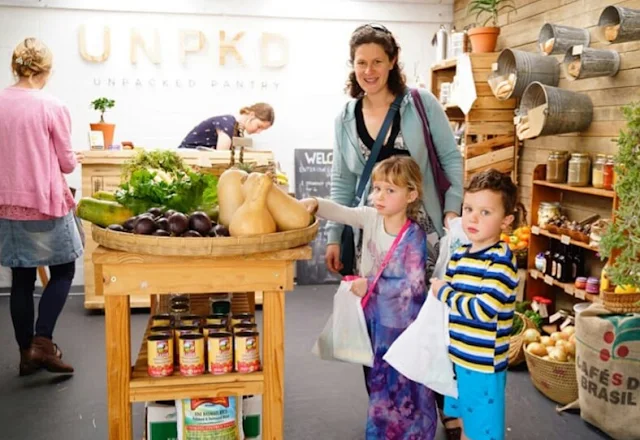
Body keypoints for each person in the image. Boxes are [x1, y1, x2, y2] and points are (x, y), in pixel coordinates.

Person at [326, 22, 464, 438]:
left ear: (392, 63)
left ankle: (443, 407)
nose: (369, 70)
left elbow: (451, 160)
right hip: (373, 237)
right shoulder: (346, 116)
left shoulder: (419, 104)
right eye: (361, 62)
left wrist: (454, 213)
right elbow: (342, 182)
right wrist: (334, 236)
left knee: (429, 322)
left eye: (377, 62)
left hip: (422, 236)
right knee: (379, 326)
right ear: (352, 66)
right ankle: (387, 409)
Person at [302, 156, 437, 438]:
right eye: (376, 188)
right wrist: (315, 203)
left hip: (402, 326)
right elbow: (342, 212)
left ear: (411, 195)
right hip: (372, 317)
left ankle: (407, 432)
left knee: (403, 379)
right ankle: (386, 426)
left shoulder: (413, 236)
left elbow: (411, 287)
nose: (379, 196)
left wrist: (371, 286)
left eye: (390, 190)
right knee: (375, 376)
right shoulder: (371, 218)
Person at [0, 38, 83, 376]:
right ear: (45, 71)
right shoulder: (51, 105)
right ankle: (42, 342)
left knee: (21, 278)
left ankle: (26, 355)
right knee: (63, 270)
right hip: (45, 203)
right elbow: (66, 163)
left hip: (6, 202)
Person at [430, 169, 520, 440]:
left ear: (506, 221)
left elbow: (482, 310)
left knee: (484, 430)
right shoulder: (459, 256)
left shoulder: (501, 262)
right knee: (466, 423)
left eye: (485, 212)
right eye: (468, 208)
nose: (472, 218)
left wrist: (443, 292)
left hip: (483, 365)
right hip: (458, 356)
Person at [177, 103, 275, 150]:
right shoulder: (228, 124)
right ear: (252, 115)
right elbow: (221, 157)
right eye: (259, 126)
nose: (258, 132)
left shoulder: (235, 129)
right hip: (188, 158)